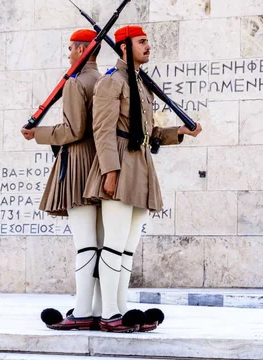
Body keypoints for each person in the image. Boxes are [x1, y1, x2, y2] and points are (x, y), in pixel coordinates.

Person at [83, 25, 202, 333]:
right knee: (113, 243)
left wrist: (178, 132)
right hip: (120, 166)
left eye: (148, 41)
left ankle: (121, 307)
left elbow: (147, 131)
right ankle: (107, 313)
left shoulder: (142, 83)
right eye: (141, 42)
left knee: (127, 247)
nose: (148, 46)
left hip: (141, 167)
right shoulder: (111, 82)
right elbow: (103, 130)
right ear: (124, 47)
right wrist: (110, 171)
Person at [21, 29, 104, 331]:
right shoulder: (104, 79)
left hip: (79, 164)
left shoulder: (75, 83)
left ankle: (81, 311)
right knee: (101, 243)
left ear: (82, 50)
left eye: (71, 49)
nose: (68, 54)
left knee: (85, 244)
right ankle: (98, 309)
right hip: (101, 164)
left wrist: (38, 134)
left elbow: (73, 130)